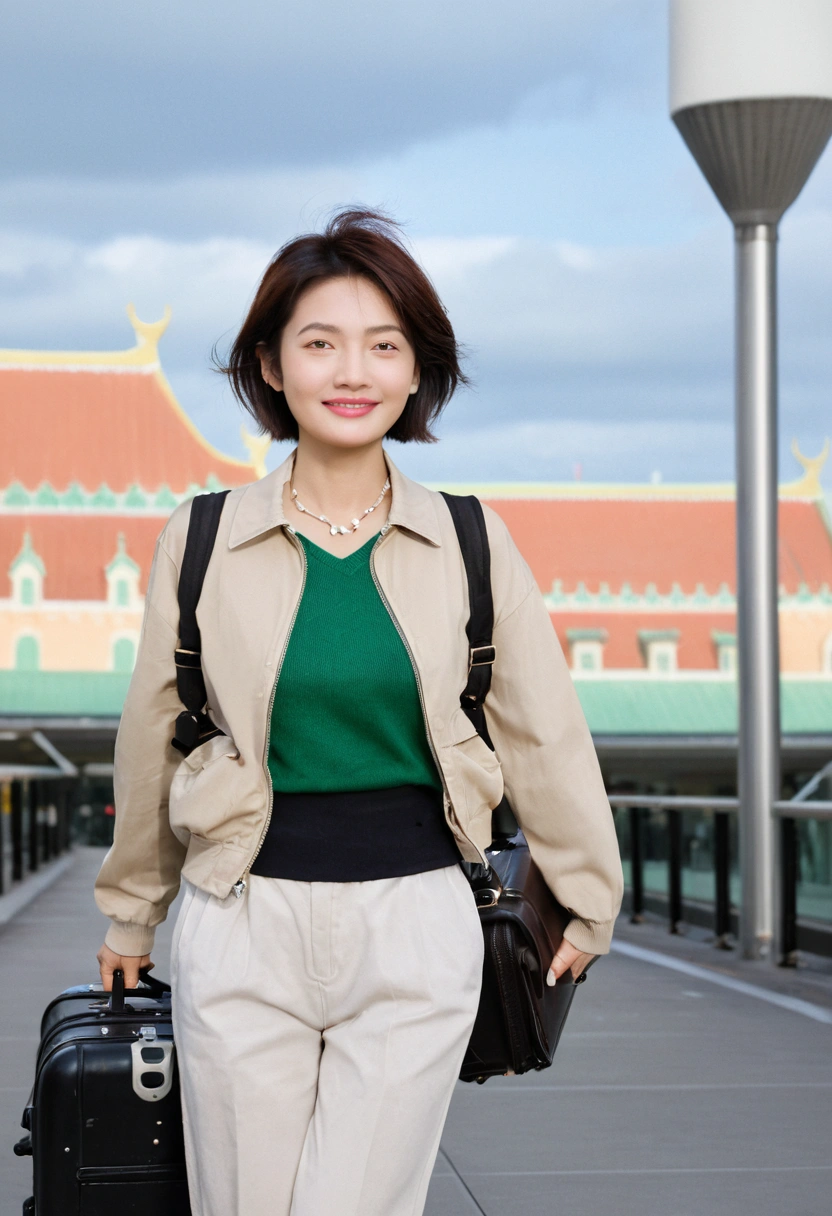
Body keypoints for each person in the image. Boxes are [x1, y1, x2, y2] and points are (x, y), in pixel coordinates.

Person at [94, 208, 623, 1216]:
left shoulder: (468, 539)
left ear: (417, 370)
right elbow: (156, 733)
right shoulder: (202, 538)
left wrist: (589, 892)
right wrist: (132, 912)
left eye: (384, 345)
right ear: (271, 364)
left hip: (417, 919)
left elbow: (542, 729)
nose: (354, 370)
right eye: (321, 342)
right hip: (240, 913)